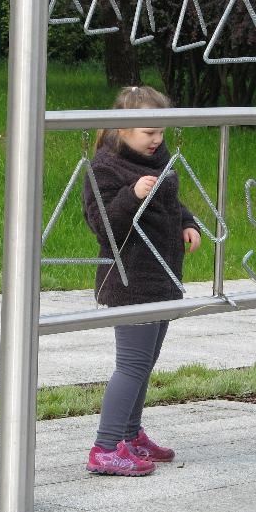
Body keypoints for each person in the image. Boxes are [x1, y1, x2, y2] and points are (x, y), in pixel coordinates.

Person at [81, 85, 202, 476]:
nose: (157, 140)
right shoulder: (105, 168)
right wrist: (132, 194)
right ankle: (105, 447)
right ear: (123, 129)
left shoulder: (159, 160)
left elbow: (172, 201)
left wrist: (187, 223)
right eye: (149, 132)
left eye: (161, 131)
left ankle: (130, 435)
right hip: (130, 282)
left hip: (162, 278)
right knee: (132, 366)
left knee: (145, 364)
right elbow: (102, 225)